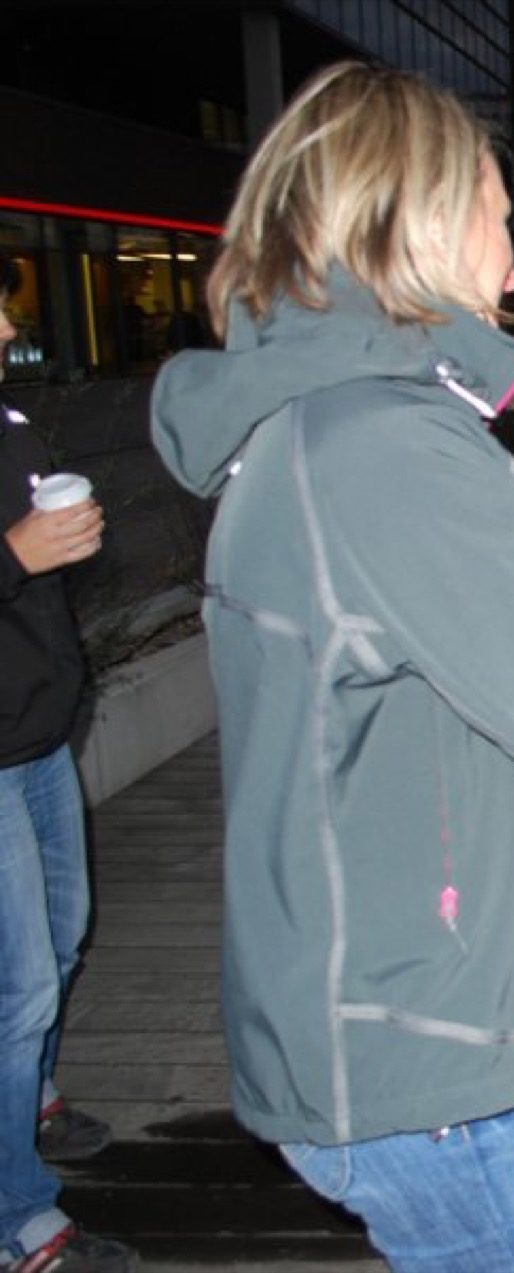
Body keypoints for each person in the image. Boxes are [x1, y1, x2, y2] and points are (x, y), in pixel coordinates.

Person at [149, 63, 514, 1272]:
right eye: (500, 220)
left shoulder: (340, 427)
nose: (513, 265)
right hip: (433, 1061)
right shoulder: (384, 443)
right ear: (425, 220)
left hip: (437, 1030)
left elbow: (421, 630)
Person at [2, 262, 136, 1272]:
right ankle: (18, 1223)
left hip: (39, 729)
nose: (9, 327)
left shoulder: (6, 419)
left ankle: (30, 1101)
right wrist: (16, 555)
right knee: (18, 984)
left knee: (61, 936)